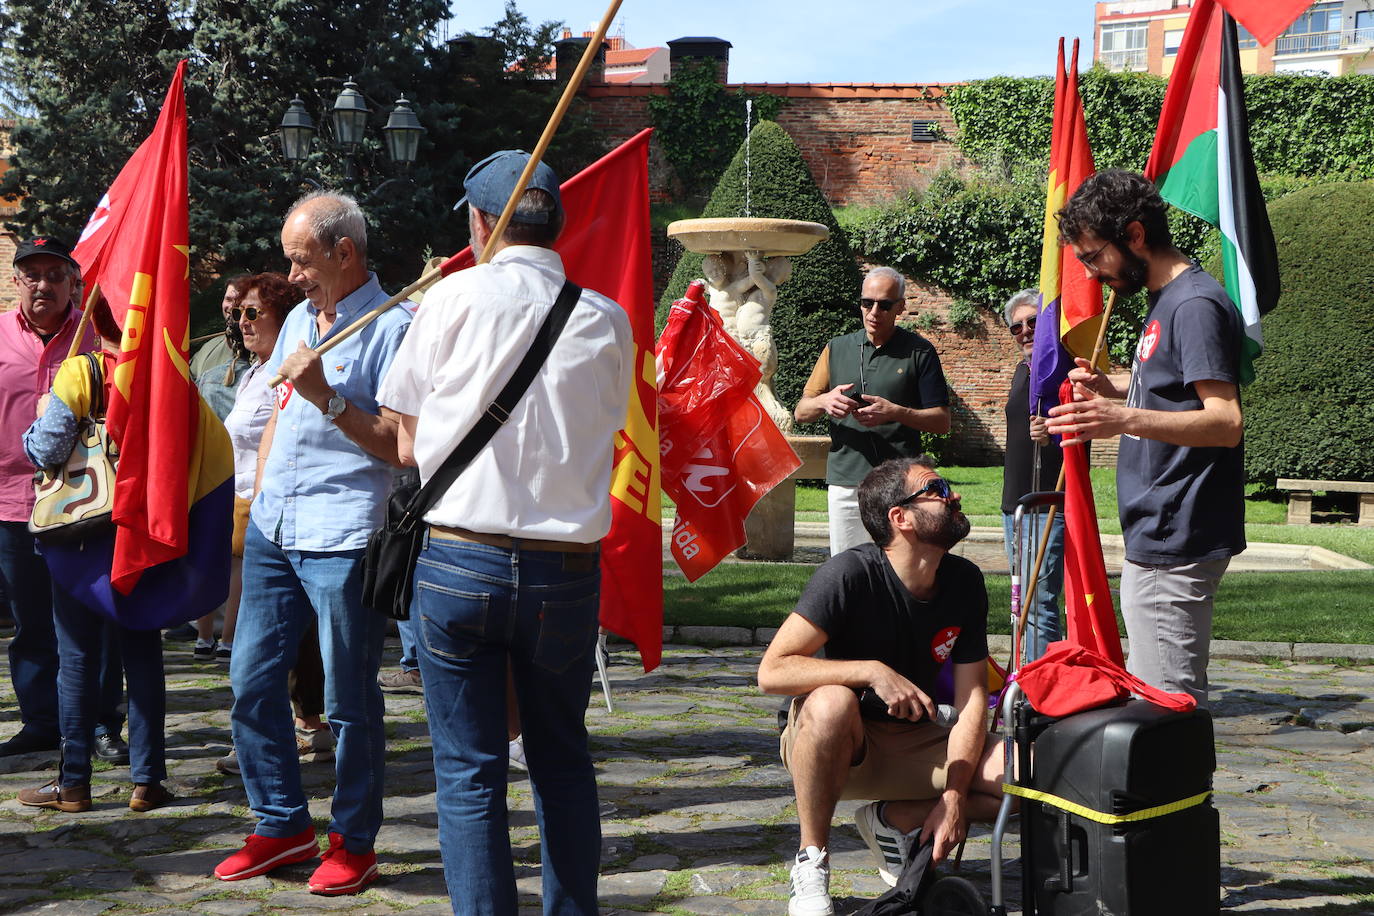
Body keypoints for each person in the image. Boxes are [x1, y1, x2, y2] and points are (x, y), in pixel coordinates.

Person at [377, 149, 634, 915]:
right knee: (562, 760)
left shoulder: (451, 299)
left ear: (481, 223)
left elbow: (405, 443)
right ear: (555, 225)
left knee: (469, 773)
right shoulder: (607, 317)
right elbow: (608, 430)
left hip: (460, 560)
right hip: (563, 569)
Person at [215, 191, 410, 896]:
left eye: (302, 261)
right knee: (251, 681)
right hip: (277, 525)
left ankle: (354, 841)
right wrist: (261, 491)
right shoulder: (301, 315)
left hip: (345, 534)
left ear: (343, 252)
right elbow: (276, 412)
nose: (292, 275)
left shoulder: (395, 327)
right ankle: (280, 822)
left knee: (350, 699)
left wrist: (329, 395)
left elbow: (400, 446)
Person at [758, 457, 1004, 916]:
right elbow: (772, 672)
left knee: (1027, 774)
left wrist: (953, 798)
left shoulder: (964, 581)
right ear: (901, 517)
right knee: (831, 701)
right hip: (840, 743)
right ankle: (812, 862)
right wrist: (870, 670)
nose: (955, 496)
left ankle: (893, 823)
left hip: (917, 739)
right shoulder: (849, 574)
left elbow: (972, 700)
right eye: (937, 488)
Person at [1046, 169, 1245, 708]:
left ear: (1135, 236)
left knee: (1167, 711)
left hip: (1175, 535)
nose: (1091, 271)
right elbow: (1169, 391)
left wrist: (1120, 418)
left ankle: (1183, 795)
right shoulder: (1166, 300)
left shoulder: (1193, 304)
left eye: (1093, 256)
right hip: (1159, 531)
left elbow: (1225, 421)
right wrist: (1112, 388)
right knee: (1156, 699)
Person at [16, 297, 176, 813]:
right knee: (143, 653)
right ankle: (148, 779)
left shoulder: (82, 370)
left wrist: (36, 422)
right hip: (144, 530)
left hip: (82, 533)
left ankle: (75, 781)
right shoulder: (166, 372)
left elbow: (45, 449)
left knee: (78, 657)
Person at [0, 236, 127, 763]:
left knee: (92, 618)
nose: (43, 285)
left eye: (56, 275)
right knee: (30, 621)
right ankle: (41, 722)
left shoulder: (96, 333)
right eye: (33, 275)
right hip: (11, 504)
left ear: (74, 284)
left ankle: (100, 723)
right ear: (17, 283)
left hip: (84, 505)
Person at [212, 272, 334, 773]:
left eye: (254, 312)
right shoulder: (251, 374)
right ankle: (308, 726)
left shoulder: (285, 373)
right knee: (287, 637)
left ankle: (275, 740)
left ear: (282, 318)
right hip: (247, 510)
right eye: (239, 312)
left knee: (260, 642)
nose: (241, 321)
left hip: (273, 515)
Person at [794, 266, 951, 556]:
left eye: (884, 304)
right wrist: (824, 401)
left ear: (900, 307)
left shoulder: (920, 352)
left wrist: (895, 412)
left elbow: (942, 421)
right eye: (867, 302)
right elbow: (801, 412)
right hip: (846, 481)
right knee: (848, 565)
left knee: (898, 568)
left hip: (902, 482)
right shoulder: (837, 347)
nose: (874, 311)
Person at [187, 274, 253, 655]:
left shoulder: (263, 348)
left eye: (241, 300)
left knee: (235, 557)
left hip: (242, 469)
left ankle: (228, 637)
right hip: (204, 467)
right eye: (229, 298)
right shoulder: (208, 350)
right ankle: (203, 633)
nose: (232, 305)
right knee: (204, 551)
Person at [1001, 289, 1066, 662]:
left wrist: (1053, 432)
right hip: (1015, 506)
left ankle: (1042, 694)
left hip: (1047, 504)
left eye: (1033, 322)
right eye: (1016, 326)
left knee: (1039, 603)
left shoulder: (1061, 370)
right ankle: (1024, 680)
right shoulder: (1022, 370)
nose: (1025, 331)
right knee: (1020, 603)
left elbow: (1087, 430)